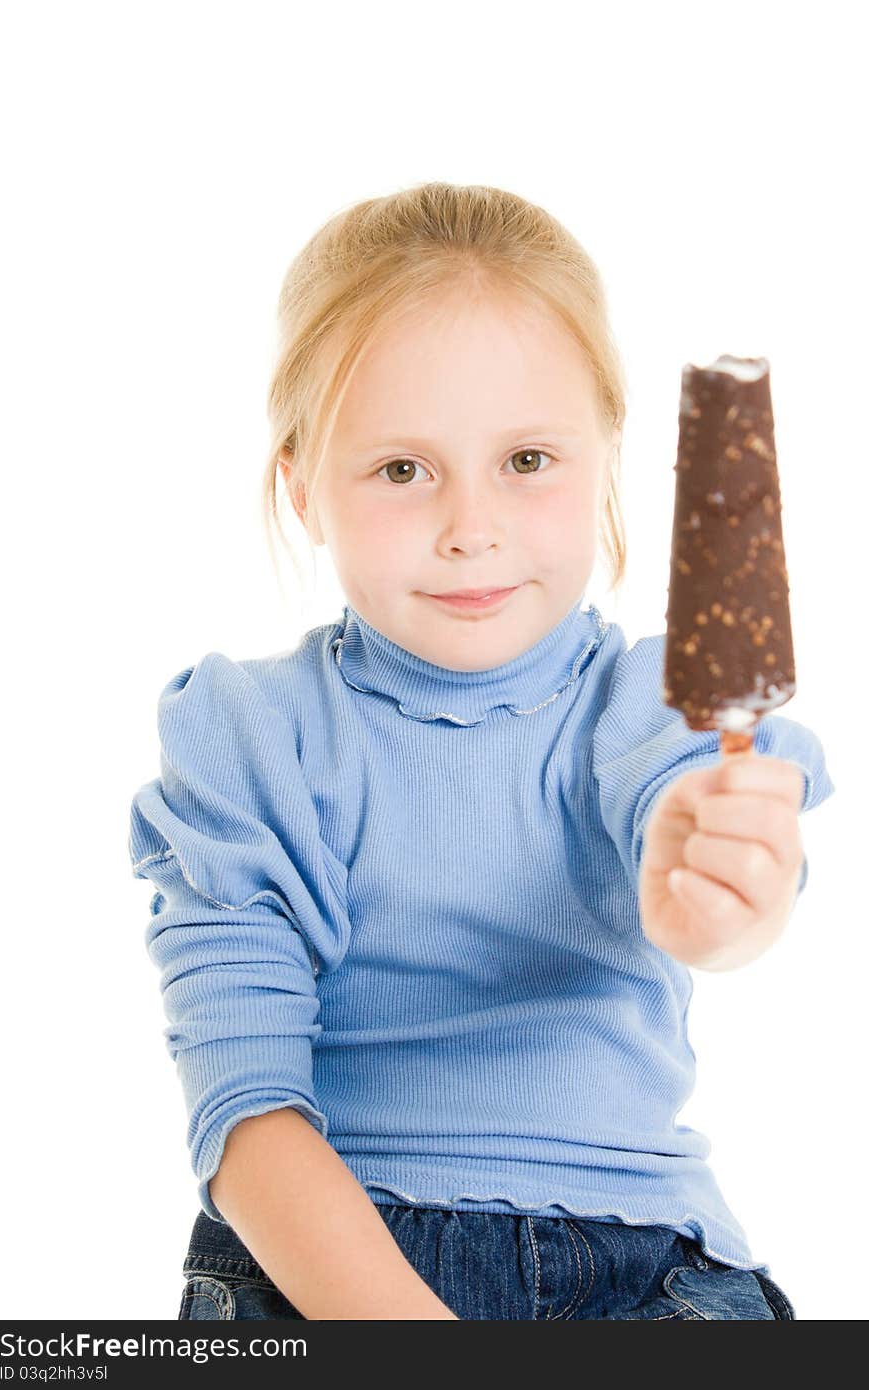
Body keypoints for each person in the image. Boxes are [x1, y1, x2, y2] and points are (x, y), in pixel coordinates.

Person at [128, 181, 833, 1321]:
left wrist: (720, 894)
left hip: (644, 1263)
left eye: (527, 460)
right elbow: (244, 1111)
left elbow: (710, 854)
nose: (471, 526)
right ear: (303, 484)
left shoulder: (656, 707)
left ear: (607, 455)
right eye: (402, 469)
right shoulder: (246, 735)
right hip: (321, 1257)